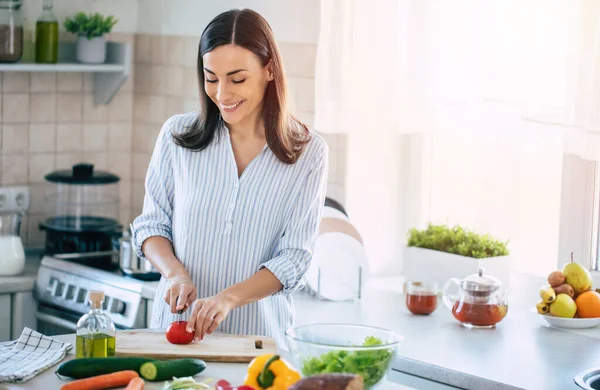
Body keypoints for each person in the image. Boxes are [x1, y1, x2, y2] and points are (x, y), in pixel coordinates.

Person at [131, 8, 328, 347]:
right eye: (211, 78)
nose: (222, 94)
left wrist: (227, 299)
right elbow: (151, 226)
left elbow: (295, 257)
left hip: (258, 344)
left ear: (269, 70)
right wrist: (174, 273)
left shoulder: (308, 152)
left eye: (237, 79)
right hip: (177, 337)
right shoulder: (177, 136)